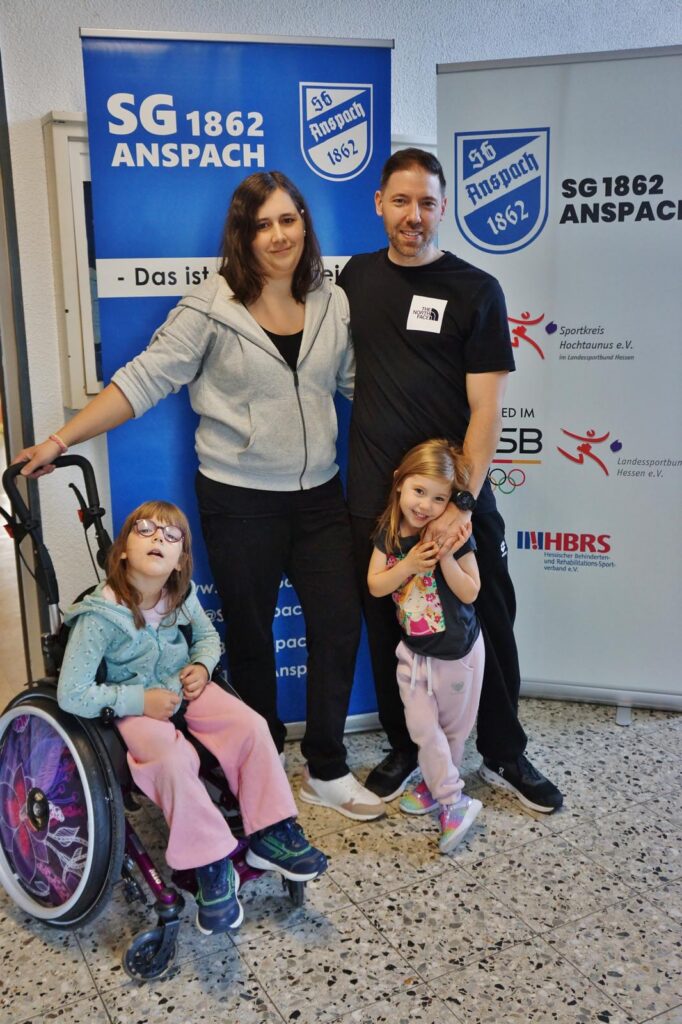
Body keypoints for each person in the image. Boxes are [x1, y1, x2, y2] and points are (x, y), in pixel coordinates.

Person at [16, 171, 384, 822]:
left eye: (289, 219)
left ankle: (326, 767)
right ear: (242, 235)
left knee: (338, 623)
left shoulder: (332, 301)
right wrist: (59, 440)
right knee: (250, 633)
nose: (279, 235)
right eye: (262, 224)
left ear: (305, 223)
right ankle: (257, 763)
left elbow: (362, 385)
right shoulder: (209, 307)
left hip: (320, 495)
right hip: (239, 499)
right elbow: (141, 381)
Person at [339, 148, 563, 813]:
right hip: (378, 496)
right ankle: (409, 748)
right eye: (401, 201)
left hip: (456, 494)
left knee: (487, 616)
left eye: (427, 203)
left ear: (444, 207)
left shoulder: (475, 290)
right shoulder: (356, 278)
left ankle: (504, 749)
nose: (413, 215)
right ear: (379, 204)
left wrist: (459, 502)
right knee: (390, 622)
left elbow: (487, 409)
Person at [57, 499, 327, 935]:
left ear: (180, 561)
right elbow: (72, 693)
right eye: (146, 530)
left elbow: (207, 637)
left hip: (185, 687)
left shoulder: (180, 597)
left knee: (251, 726)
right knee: (172, 758)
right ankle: (209, 863)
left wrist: (201, 666)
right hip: (133, 705)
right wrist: (138, 700)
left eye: (171, 536)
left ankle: (271, 832)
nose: (158, 539)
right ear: (121, 551)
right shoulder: (100, 617)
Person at [367, 441, 485, 852]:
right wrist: (409, 565)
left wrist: (446, 557)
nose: (426, 506)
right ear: (399, 483)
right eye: (419, 491)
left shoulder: (453, 535)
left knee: (451, 734)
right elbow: (376, 585)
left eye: (439, 498)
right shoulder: (388, 533)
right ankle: (454, 800)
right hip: (414, 655)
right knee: (421, 728)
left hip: (457, 655)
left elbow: (470, 592)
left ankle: (438, 787)